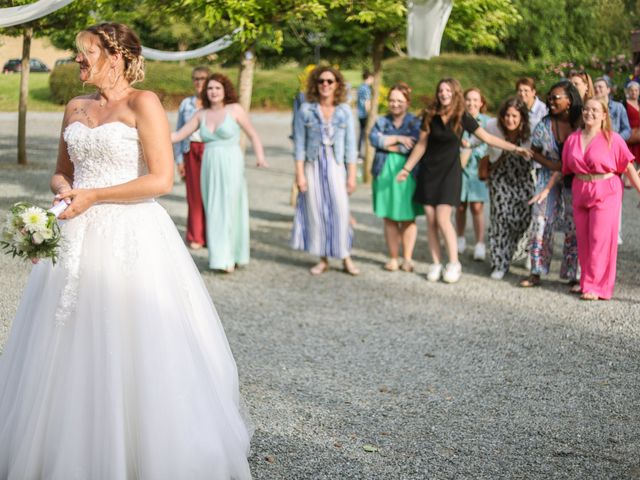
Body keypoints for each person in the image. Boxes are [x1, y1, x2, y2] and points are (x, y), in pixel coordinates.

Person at [0, 23, 252, 479]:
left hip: (130, 231)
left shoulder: (143, 103)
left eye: (85, 53)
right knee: (61, 338)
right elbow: (61, 173)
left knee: (131, 338)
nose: (77, 61)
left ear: (115, 57)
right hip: (75, 234)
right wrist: (64, 193)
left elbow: (160, 180)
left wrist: (95, 196)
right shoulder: (75, 106)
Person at [396, 78, 532, 283]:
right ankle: (435, 263)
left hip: (450, 173)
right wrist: (407, 169)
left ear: (455, 92)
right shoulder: (429, 115)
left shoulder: (462, 116)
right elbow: (421, 146)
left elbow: (486, 137)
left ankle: (453, 263)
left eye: (448, 90)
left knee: (443, 218)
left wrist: (515, 148)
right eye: (441, 90)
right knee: (431, 221)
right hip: (429, 172)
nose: (443, 93)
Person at [171, 73, 267, 273]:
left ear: (225, 91)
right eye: (210, 88)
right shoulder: (200, 114)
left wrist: (260, 157)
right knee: (214, 208)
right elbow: (178, 135)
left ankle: (235, 254)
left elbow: (253, 134)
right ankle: (220, 257)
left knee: (232, 207)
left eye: (217, 88)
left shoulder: (235, 110)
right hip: (210, 163)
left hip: (231, 161)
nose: (213, 92)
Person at [561, 97, 640, 299]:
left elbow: (628, 166)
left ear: (604, 115)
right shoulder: (573, 139)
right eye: (587, 109)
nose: (590, 113)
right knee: (584, 239)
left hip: (606, 190)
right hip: (581, 189)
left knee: (600, 239)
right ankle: (586, 281)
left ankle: (598, 287)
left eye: (595, 110)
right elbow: (564, 169)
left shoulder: (612, 138)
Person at [290, 65, 360, 276]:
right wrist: (300, 174)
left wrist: (352, 175)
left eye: (330, 81)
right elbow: (299, 145)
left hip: (336, 164)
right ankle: (323, 258)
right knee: (316, 210)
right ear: (315, 84)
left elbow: (350, 146)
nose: (325, 85)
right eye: (321, 81)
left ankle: (345, 255)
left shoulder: (344, 111)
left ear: (337, 84)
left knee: (340, 209)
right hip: (313, 163)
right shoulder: (306, 110)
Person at [522, 80, 582, 289]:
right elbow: (534, 152)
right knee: (540, 220)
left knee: (575, 225)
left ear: (569, 100)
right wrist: (552, 164)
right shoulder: (545, 124)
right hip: (548, 176)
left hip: (576, 179)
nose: (551, 100)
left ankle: (574, 273)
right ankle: (536, 271)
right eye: (550, 97)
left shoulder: (582, 122)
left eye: (556, 97)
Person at [369, 82, 422, 272]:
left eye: (399, 100)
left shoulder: (415, 123)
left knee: (408, 217)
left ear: (407, 102)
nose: (395, 104)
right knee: (390, 218)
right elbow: (373, 139)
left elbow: (415, 145)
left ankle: (407, 258)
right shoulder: (381, 121)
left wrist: (387, 143)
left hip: (408, 173)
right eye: (392, 100)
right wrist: (399, 139)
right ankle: (393, 257)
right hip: (384, 172)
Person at [484, 98, 534, 279]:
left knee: (525, 219)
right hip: (500, 179)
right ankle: (499, 263)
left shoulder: (530, 134)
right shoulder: (493, 128)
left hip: (523, 180)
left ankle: (522, 251)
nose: (510, 120)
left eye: (514, 116)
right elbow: (477, 139)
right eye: (507, 115)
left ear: (522, 117)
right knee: (500, 220)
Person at [174, 65, 210, 250]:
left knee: (211, 194)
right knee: (194, 195)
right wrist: (179, 160)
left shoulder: (215, 102)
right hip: (191, 150)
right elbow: (179, 132)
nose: (199, 82)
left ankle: (211, 235)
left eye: (203, 78)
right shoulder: (186, 104)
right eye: (196, 78)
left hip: (211, 150)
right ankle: (196, 235)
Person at [456, 87, 490, 261]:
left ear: (481, 102)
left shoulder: (487, 122)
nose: (471, 103)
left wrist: (471, 146)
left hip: (477, 168)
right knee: (460, 206)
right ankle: (460, 238)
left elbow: (490, 144)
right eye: (468, 99)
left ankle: (479, 243)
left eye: (475, 100)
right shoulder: (458, 120)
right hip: (459, 169)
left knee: (477, 206)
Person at [623, 81, 640, 168]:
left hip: (639, 138)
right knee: (630, 165)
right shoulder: (624, 104)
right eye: (632, 90)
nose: (634, 92)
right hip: (630, 138)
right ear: (628, 91)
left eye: (636, 90)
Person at [357, 70, 374, 156]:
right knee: (366, 133)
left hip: (359, 113)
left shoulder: (360, 87)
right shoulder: (367, 89)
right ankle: (364, 153)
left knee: (361, 133)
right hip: (365, 114)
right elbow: (367, 102)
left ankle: (359, 151)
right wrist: (370, 114)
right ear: (369, 78)